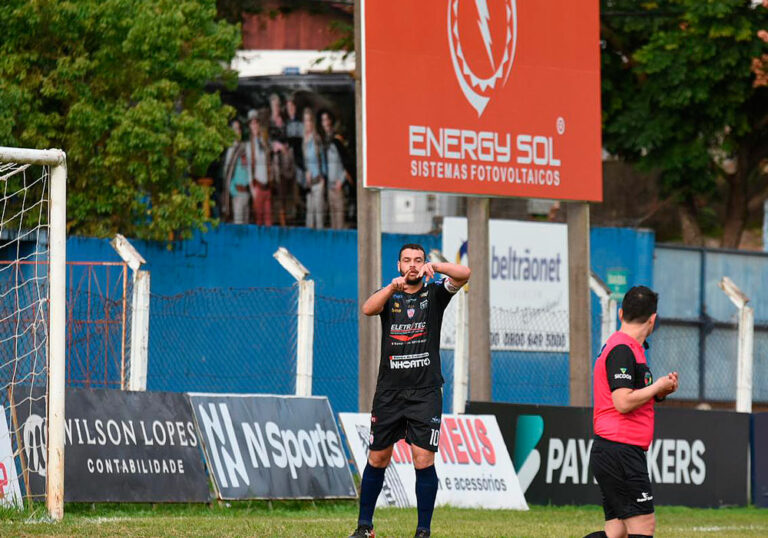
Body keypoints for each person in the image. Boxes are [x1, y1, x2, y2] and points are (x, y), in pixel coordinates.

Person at [349, 244, 471, 538]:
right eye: (407, 260)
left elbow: (465, 273)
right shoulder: (390, 294)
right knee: (378, 458)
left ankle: (423, 531)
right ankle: (365, 527)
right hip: (389, 392)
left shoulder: (435, 294)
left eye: (418, 260)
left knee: (423, 459)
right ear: (399, 265)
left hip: (425, 392)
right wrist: (391, 288)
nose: (413, 265)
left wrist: (438, 267)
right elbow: (367, 309)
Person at [584, 286, 679, 538]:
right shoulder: (622, 349)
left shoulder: (630, 348)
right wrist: (657, 386)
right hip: (620, 451)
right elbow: (623, 402)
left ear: (620, 312)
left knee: (617, 532)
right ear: (653, 319)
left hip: (615, 450)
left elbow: (631, 395)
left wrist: (659, 392)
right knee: (643, 527)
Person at [320, 110, 352, 229]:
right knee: (333, 221)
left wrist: (341, 180)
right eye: (323, 121)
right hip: (329, 186)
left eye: (327, 120)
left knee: (340, 221)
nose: (326, 123)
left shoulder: (338, 140)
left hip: (338, 186)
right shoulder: (325, 141)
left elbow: (346, 162)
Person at [246, 109, 271, 226]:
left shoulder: (265, 140)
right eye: (252, 123)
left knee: (268, 221)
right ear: (250, 126)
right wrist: (252, 189)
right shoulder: (249, 145)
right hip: (258, 187)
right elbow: (249, 168)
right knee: (259, 221)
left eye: (256, 123)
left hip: (268, 186)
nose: (255, 125)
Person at [302, 108, 325, 229]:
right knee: (309, 217)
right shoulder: (303, 141)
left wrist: (323, 177)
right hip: (308, 184)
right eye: (305, 121)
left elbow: (323, 159)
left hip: (318, 181)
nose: (308, 123)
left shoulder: (316, 139)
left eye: (310, 120)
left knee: (319, 217)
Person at [221, 118, 244, 222]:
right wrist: (234, 192)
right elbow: (227, 174)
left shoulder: (245, 147)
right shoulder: (231, 150)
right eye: (235, 129)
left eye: (239, 129)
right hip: (236, 194)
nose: (238, 131)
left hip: (247, 194)